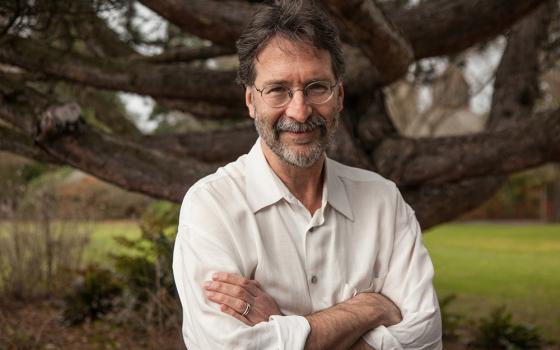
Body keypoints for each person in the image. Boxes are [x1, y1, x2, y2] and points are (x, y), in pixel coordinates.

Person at [172, 1, 442, 349]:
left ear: (340, 96)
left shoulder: (383, 200)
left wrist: (282, 330)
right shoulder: (211, 207)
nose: (299, 111)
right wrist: (370, 307)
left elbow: (425, 338)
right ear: (251, 100)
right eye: (278, 90)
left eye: (317, 87)